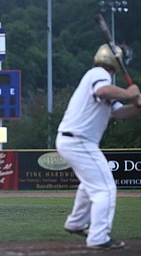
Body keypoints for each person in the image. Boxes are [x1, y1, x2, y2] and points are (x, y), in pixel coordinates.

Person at [56, 44, 141, 249]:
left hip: (74, 140)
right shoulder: (98, 74)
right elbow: (102, 91)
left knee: (91, 184)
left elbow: (118, 113)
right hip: (79, 140)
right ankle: (98, 238)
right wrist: (130, 92)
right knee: (105, 188)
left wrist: (137, 108)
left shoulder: (102, 78)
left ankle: (76, 223)